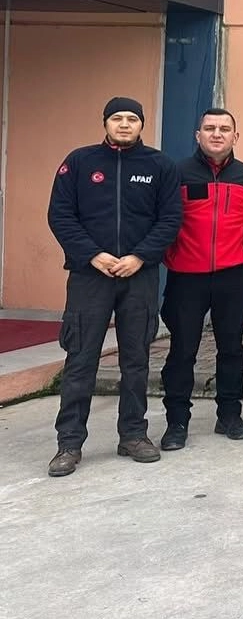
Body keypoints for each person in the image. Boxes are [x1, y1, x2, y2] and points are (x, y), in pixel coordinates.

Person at [46, 97, 181, 477]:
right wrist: (92, 255)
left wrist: (140, 256)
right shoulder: (79, 162)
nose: (124, 124)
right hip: (90, 277)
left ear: (141, 124)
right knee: (80, 359)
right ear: (105, 122)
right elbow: (60, 215)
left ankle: (133, 435)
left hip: (139, 276)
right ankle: (69, 443)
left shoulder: (159, 166)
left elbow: (170, 218)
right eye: (117, 118)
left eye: (132, 118)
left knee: (136, 360)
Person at [159, 108, 243, 451]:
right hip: (185, 277)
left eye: (224, 128)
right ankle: (177, 422)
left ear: (236, 136)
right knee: (182, 350)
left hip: (232, 277)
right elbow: (163, 218)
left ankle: (230, 416)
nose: (217, 134)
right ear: (198, 135)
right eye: (209, 128)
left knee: (232, 348)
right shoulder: (175, 174)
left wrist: (229, 245)